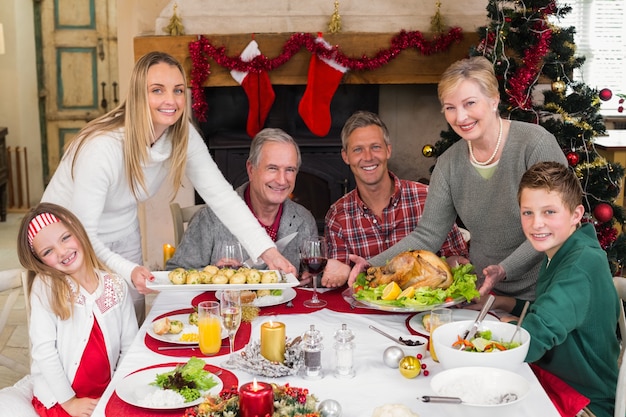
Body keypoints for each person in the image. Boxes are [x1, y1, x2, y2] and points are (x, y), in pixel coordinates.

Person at [41, 51, 296, 323]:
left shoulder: (182, 135)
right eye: (157, 90)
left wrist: (267, 251)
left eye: (177, 90)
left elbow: (222, 196)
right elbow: (84, 233)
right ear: (139, 94)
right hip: (66, 240)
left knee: (130, 322)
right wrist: (128, 270)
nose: (170, 101)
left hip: (124, 230)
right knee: (88, 328)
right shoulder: (102, 147)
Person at [348, 56, 567, 300]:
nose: (460, 117)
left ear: (494, 100)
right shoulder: (448, 164)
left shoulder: (535, 144)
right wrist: (370, 265)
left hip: (548, 290)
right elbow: (427, 235)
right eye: (450, 108)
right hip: (486, 292)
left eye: (470, 103)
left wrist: (504, 269)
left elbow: (554, 225)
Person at [490, 161, 619, 416]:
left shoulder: (580, 266)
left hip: (584, 402)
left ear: (576, 214)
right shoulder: (564, 251)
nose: (537, 223)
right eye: (528, 212)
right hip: (554, 381)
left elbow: (535, 337)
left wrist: (477, 345)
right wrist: (500, 302)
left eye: (549, 212)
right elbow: (549, 312)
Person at [17, 202, 138, 417]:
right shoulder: (47, 287)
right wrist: (70, 402)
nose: (62, 252)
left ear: (78, 231)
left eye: (65, 238)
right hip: (62, 402)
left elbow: (129, 346)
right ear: (40, 261)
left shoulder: (115, 285)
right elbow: (44, 351)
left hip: (104, 395)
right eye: (48, 251)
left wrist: (117, 391)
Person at [322, 110, 468, 287]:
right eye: (358, 149)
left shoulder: (427, 197)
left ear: (388, 150)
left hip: (425, 307)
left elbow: (456, 256)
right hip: (365, 312)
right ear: (346, 156)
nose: (368, 157)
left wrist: (454, 265)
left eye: (375, 147)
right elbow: (340, 277)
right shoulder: (338, 215)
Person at [166, 128, 317, 270]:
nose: (282, 180)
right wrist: (211, 275)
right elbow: (174, 272)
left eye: (290, 170)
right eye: (272, 168)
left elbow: (313, 278)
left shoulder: (304, 220)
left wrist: (308, 279)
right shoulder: (209, 218)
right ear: (251, 170)